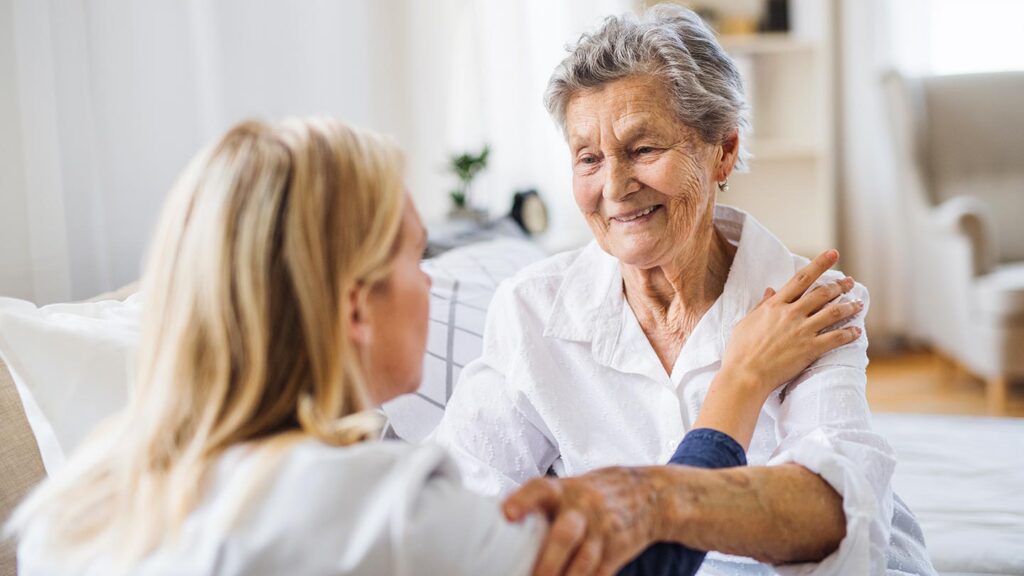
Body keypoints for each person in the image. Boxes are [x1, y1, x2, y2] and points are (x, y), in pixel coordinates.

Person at [6, 118, 864, 575]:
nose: (436, 283)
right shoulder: (383, 508)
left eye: (643, 149)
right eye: (416, 259)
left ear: (723, 154)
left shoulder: (82, 493)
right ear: (352, 309)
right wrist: (736, 390)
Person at [432, 5, 936, 575]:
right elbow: (462, 505)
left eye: (644, 150)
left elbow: (832, 515)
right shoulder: (531, 310)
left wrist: (647, 502)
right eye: (589, 159)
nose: (616, 188)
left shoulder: (806, 303)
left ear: (722, 150)